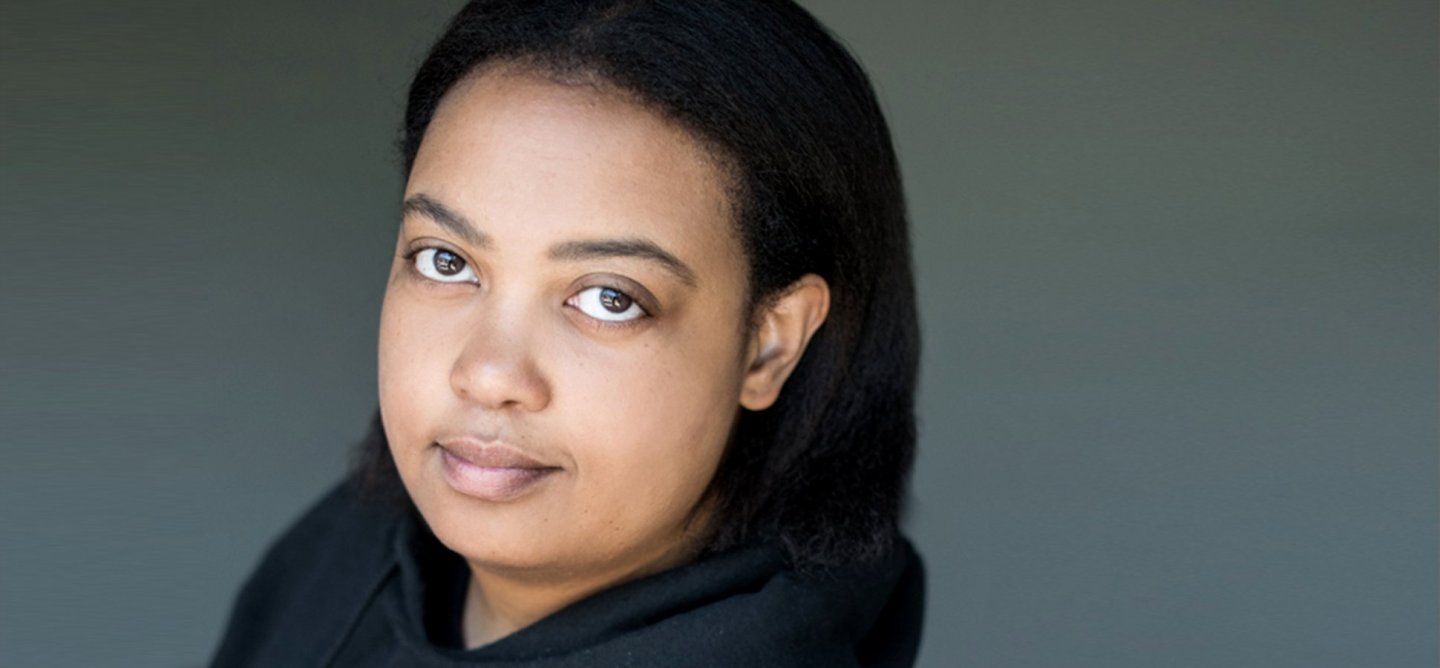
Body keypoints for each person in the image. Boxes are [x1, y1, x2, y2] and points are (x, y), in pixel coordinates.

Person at [211, 0, 923, 665]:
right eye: (446, 260)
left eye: (610, 298)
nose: (488, 374)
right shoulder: (341, 554)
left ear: (769, 346)